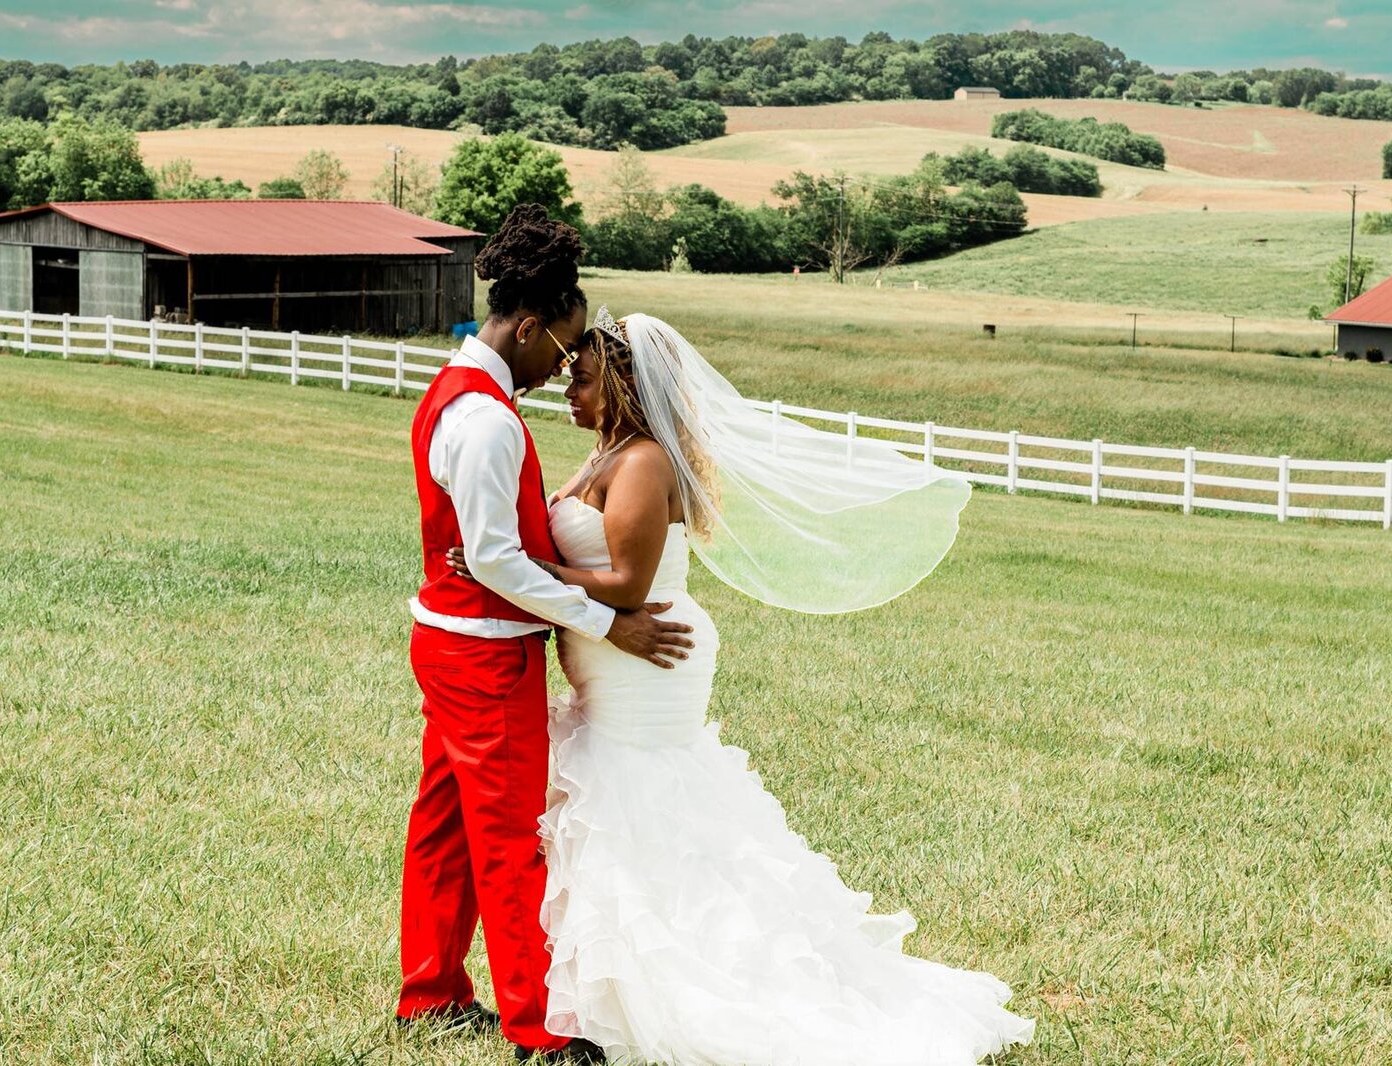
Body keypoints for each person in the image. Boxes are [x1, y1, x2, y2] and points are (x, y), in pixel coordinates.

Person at [448, 308, 1036, 1064]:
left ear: (624, 383)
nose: (569, 388)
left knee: (644, 809)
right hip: (611, 663)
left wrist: (518, 576)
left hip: (645, 657)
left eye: (583, 377)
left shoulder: (644, 464)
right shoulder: (605, 453)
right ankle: (591, 985)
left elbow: (627, 583)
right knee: (627, 810)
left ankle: (686, 974)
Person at [399, 206, 693, 1065]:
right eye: (561, 352)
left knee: (446, 824)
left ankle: (431, 993)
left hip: (455, 638)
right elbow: (495, 560)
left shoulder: (463, 393)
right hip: (483, 648)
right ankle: (541, 1027)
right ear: (527, 327)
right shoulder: (487, 420)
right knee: (510, 835)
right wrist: (611, 622)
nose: (563, 369)